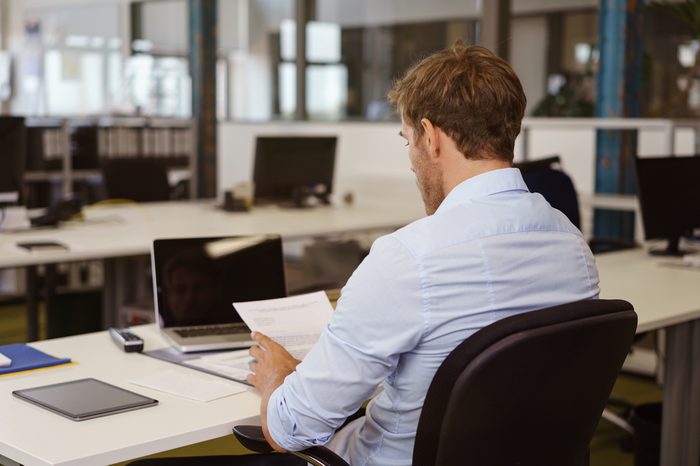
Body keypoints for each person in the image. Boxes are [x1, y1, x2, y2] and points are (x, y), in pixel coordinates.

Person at [130, 42, 599, 466]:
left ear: (431, 136)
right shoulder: (571, 245)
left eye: (408, 140)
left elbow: (291, 429)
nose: (412, 155)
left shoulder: (408, 259)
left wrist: (279, 379)